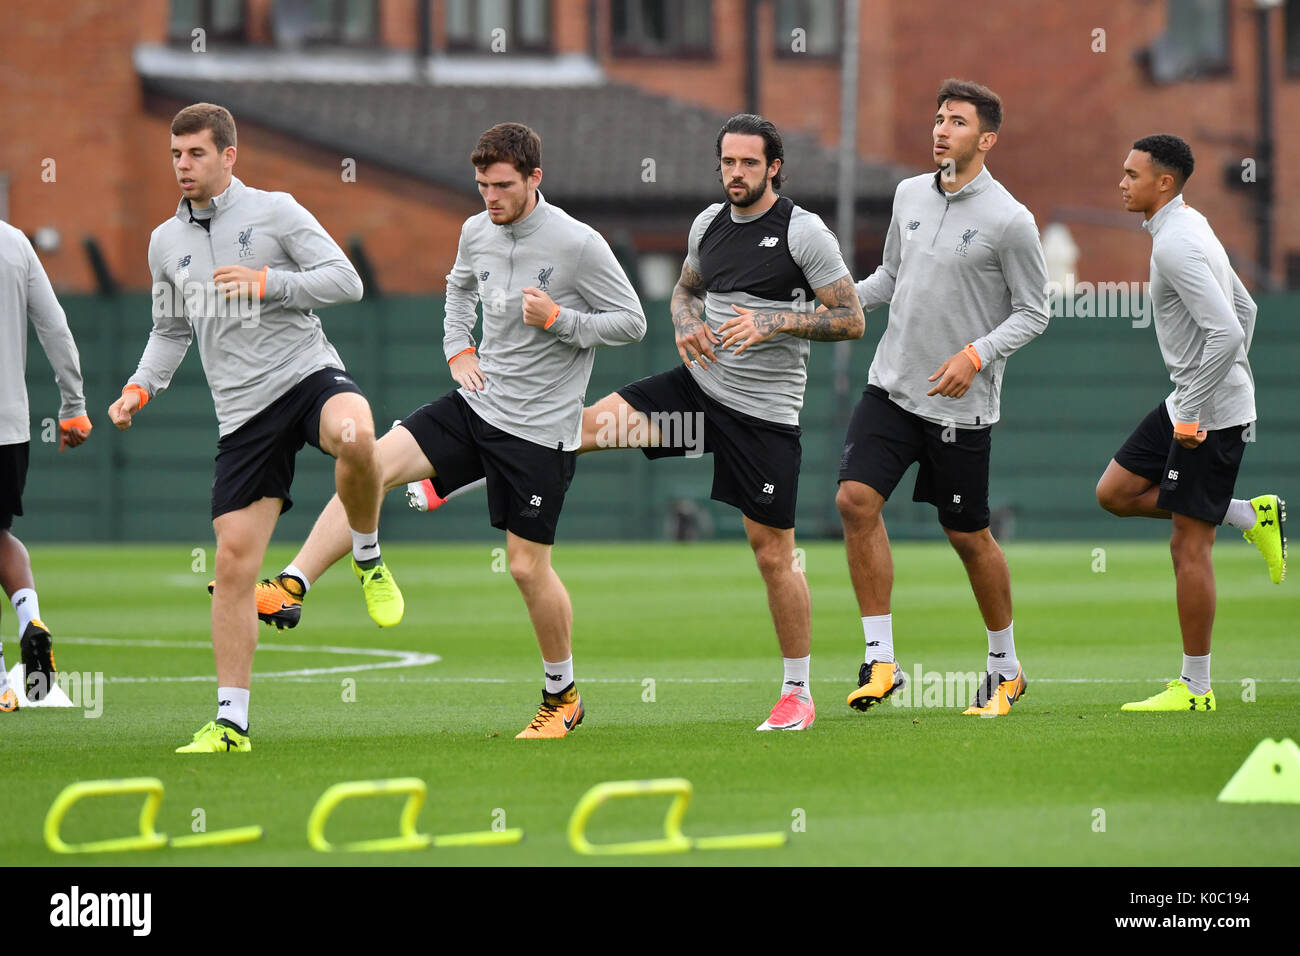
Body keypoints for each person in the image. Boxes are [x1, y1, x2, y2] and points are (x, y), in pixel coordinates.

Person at [248, 122, 646, 738]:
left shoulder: (578, 244)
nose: (491, 197)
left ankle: (562, 697)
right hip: (476, 404)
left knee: (524, 568)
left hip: (540, 433)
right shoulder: (474, 230)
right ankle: (295, 583)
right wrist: (458, 346)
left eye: (503, 186)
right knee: (368, 463)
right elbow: (457, 286)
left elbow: (630, 322)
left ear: (535, 179)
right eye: (482, 184)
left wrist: (563, 320)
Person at [107, 103, 394, 752]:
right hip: (242, 413)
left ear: (229, 156)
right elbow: (169, 330)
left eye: (197, 153)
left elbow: (343, 282)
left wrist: (268, 283)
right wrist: (137, 387)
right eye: (176, 154)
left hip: (304, 376)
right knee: (235, 564)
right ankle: (232, 723)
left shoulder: (277, 210)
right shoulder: (163, 243)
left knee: (357, 434)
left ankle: (368, 555)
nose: (183, 165)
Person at [580, 113, 864, 732]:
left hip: (762, 419)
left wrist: (774, 322)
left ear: (774, 167)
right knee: (580, 429)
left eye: (749, 164)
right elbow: (685, 290)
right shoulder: (707, 224)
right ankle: (453, 474)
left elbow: (851, 319)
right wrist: (684, 321)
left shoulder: (804, 232)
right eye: (728, 163)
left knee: (773, 556)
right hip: (696, 395)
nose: (736, 174)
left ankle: (797, 694)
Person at [836, 79, 1048, 717]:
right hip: (892, 385)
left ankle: (1005, 668)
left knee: (966, 536)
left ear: (986, 139)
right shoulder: (907, 195)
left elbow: (1035, 313)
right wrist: (827, 297)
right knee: (854, 500)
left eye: (956, 122)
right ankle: (881, 660)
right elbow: (890, 279)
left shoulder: (1011, 220)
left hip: (961, 406)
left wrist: (976, 354)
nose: (940, 130)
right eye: (937, 119)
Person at [1097, 134, 1284, 713]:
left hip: (1206, 415)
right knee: (1115, 492)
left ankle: (1196, 689)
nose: (1122, 183)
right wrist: (1206, 390)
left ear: (1165, 184)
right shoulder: (1188, 226)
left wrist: (1203, 405)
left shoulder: (1178, 242)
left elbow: (1227, 330)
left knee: (1187, 544)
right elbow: (1245, 311)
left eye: (1132, 174)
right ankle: (1247, 514)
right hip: (1190, 401)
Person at [0, 220, 91, 711]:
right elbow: (54, 325)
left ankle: (0, 685)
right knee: (1, 534)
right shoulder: (15, 242)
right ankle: (30, 618)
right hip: (10, 429)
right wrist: (73, 404)